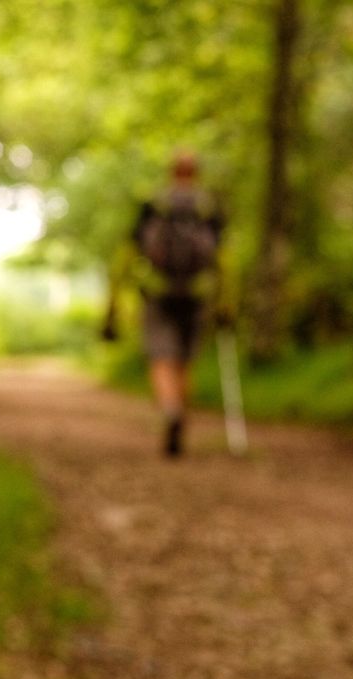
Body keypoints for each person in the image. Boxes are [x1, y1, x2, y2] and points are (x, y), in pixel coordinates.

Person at [106, 152, 228, 457]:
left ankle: (171, 410)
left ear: (171, 172)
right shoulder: (208, 207)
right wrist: (227, 303)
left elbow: (127, 254)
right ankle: (181, 417)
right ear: (196, 173)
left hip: (158, 293)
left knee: (162, 359)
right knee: (185, 363)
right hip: (197, 294)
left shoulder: (154, 204)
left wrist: (113, 303)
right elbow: (226, 259)